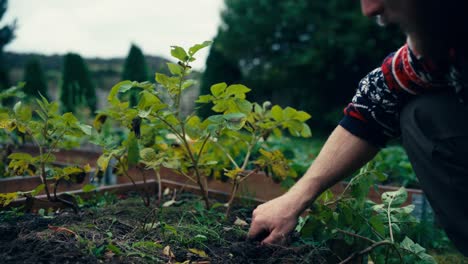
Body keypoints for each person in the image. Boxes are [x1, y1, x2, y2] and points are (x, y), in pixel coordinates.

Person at [248, 0, 468, 256]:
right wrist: (294, 199)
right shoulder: (438, 53)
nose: (369, 9)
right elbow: (373, 103)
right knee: (423, 115)